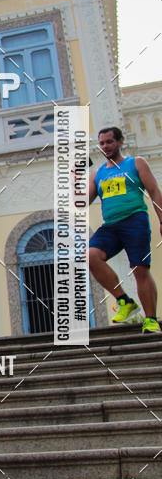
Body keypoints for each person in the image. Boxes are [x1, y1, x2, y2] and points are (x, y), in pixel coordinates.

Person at [87, 126, 162, 334]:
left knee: (140, 269)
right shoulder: (98, 174)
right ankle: (124, 301)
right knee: (91, 255)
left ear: (120, 141)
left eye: (109, 142)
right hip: (111, 225)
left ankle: (150, 319)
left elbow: (154, 191)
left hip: (135, 220)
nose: (105, 147)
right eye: (101, 143)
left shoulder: (135, 163)